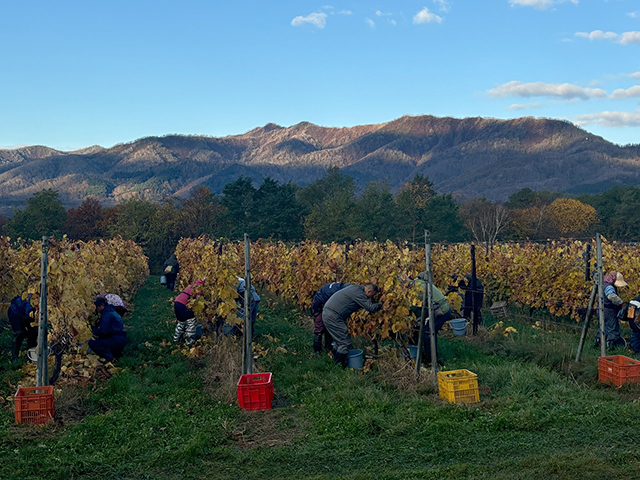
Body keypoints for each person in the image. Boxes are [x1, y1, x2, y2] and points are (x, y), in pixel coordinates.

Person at [322, 283, 382, 367]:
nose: (371, 298)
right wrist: (381, 304)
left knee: (339, 340)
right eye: (372, 295)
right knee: (344, 342)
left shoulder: (355, 288)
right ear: (368, 292)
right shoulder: (359, 294)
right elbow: (370, 308)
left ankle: (335, 362)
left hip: (329, 313)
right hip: (333, 316)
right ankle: (339, 366)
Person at [410, 272, 452, 365]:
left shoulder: (418, 289)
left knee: (428, 332)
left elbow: (416, 306)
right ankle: (429, 356)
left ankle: (432, 360)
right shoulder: (421, 284)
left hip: (442, 312)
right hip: (442, 309)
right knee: (429, 332)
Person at [311, 282, 349, 354]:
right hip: (318, 305)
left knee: (329, 326)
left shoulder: (340, 287)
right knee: (319, 327)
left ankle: (328, 348)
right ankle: (317, 350)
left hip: (326, 305)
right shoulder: (337, 292)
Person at [89, 296, 127, 363]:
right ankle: (117, 354)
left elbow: (104, 332)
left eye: (97, 307)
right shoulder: (112, 312)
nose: (97, 309)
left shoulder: (106, 315)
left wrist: (93, 330)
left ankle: (109, 357)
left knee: (94, 344)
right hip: (122, 339)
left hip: (115, 340)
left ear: (102, 305)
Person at [595, 271, 628, 349]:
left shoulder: (602, 285)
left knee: (603, 327)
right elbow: (611, 296)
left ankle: (598, 342)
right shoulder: (609, 287)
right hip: (609, 311)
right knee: (612, 328)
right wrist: (620, 302)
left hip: (600, 309)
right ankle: (610, 346)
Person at [173, 279, 204, 346]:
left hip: (177, 303)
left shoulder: (192, 286)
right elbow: (198, 301)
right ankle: (189, 342)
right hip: (184, 305)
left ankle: (176, 339)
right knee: (191, 322)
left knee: (181, 322)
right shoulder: (199, 288)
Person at [8, 294, 37, 362]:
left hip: (25, 314)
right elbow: (28, 313)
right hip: (14, 313)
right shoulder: (33, 299)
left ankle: (32, 358)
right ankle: (14, 358)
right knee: (20, 333)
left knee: (33, 335)